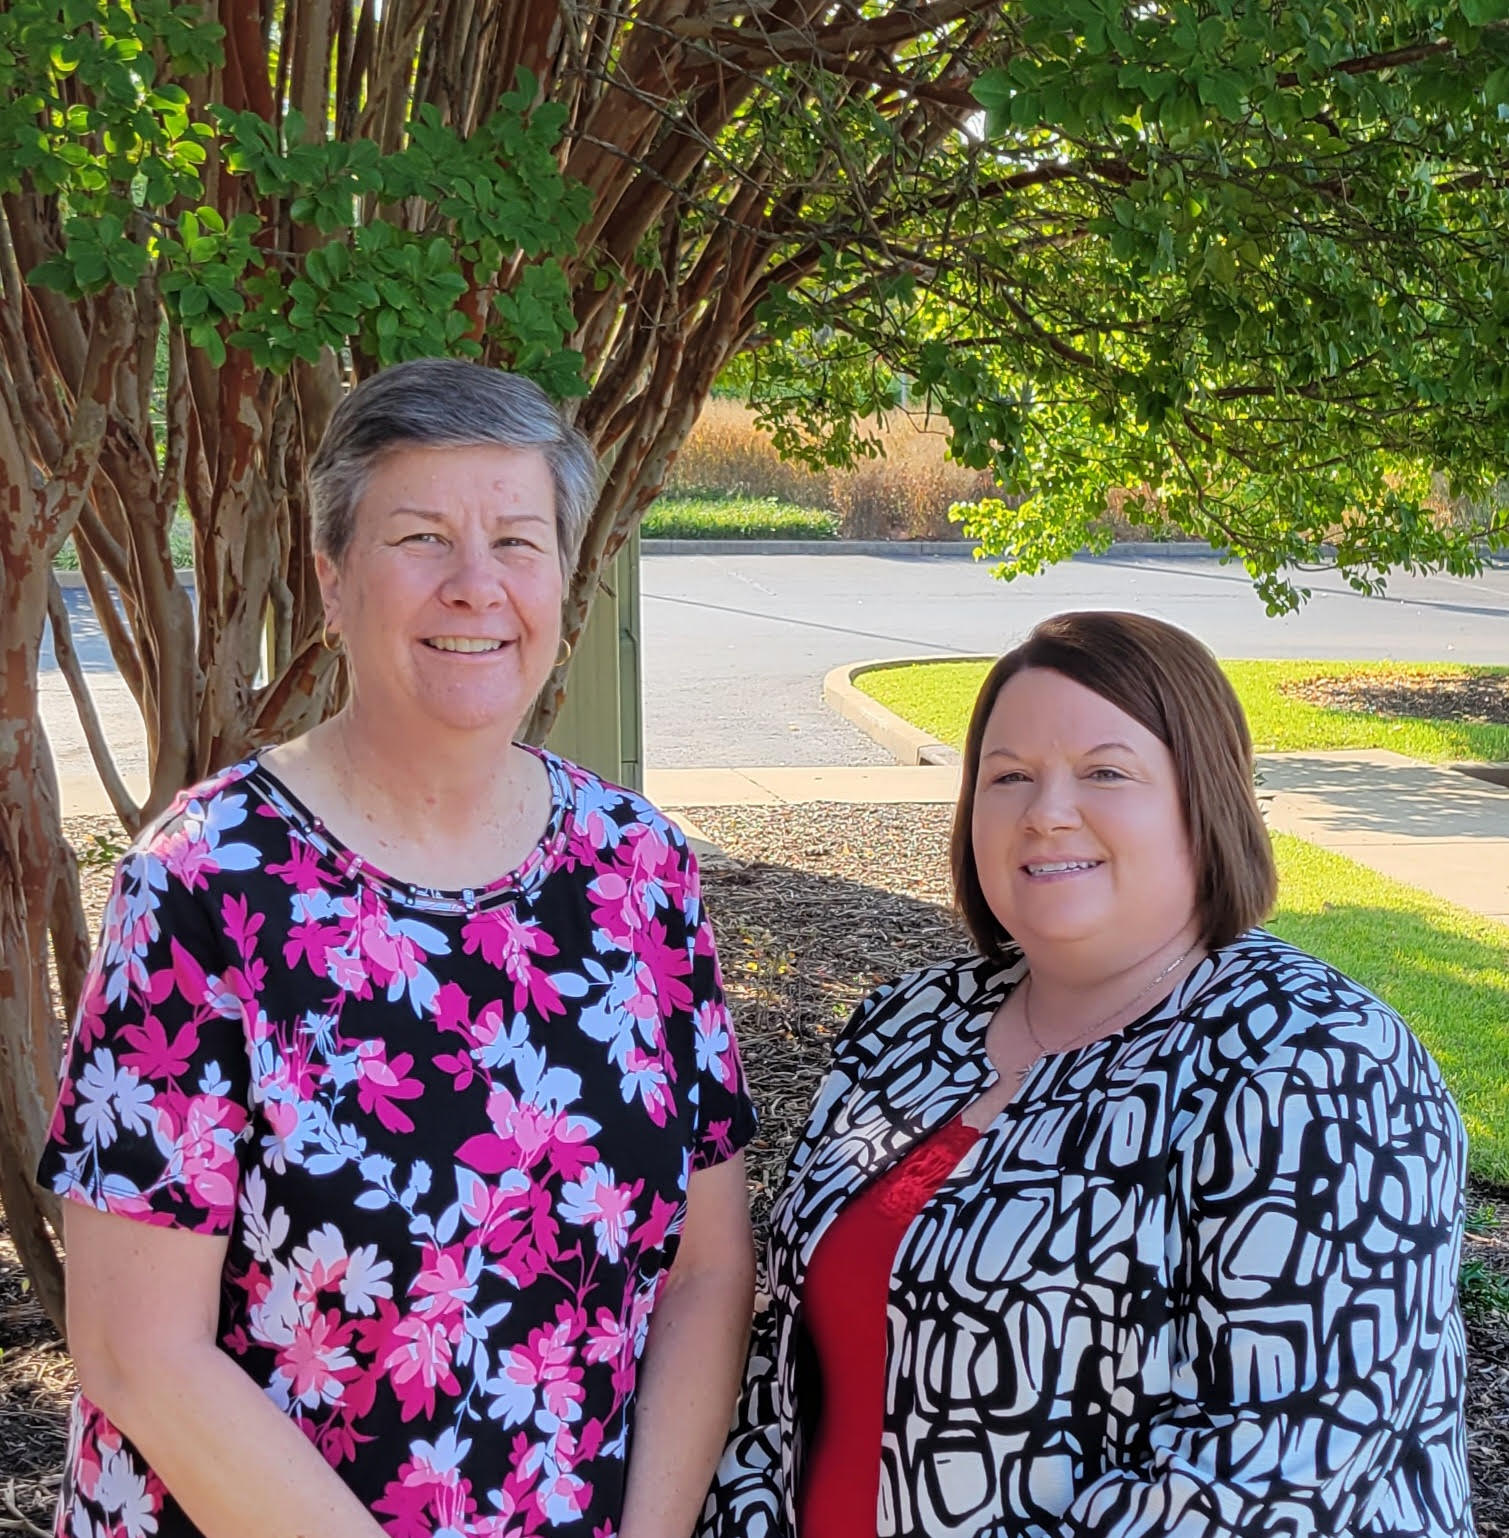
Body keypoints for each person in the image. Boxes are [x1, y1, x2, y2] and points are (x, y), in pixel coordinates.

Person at [40, 358, 757, 1538]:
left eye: (518, 542)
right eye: (421, 537)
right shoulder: (207, 880)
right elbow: (137, 1349)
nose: (477, 586)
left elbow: (707, 1269)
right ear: (330, 579)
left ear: (566, 579)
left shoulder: (642, 871)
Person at [700, 610, 1470, 1538]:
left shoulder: (1320, 1066)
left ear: (1203, 799)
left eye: (1105, 772)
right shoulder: (908, 1025)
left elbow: (1276, 1477)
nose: (1045, 811)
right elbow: (779, 1378)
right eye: (1009, 776)